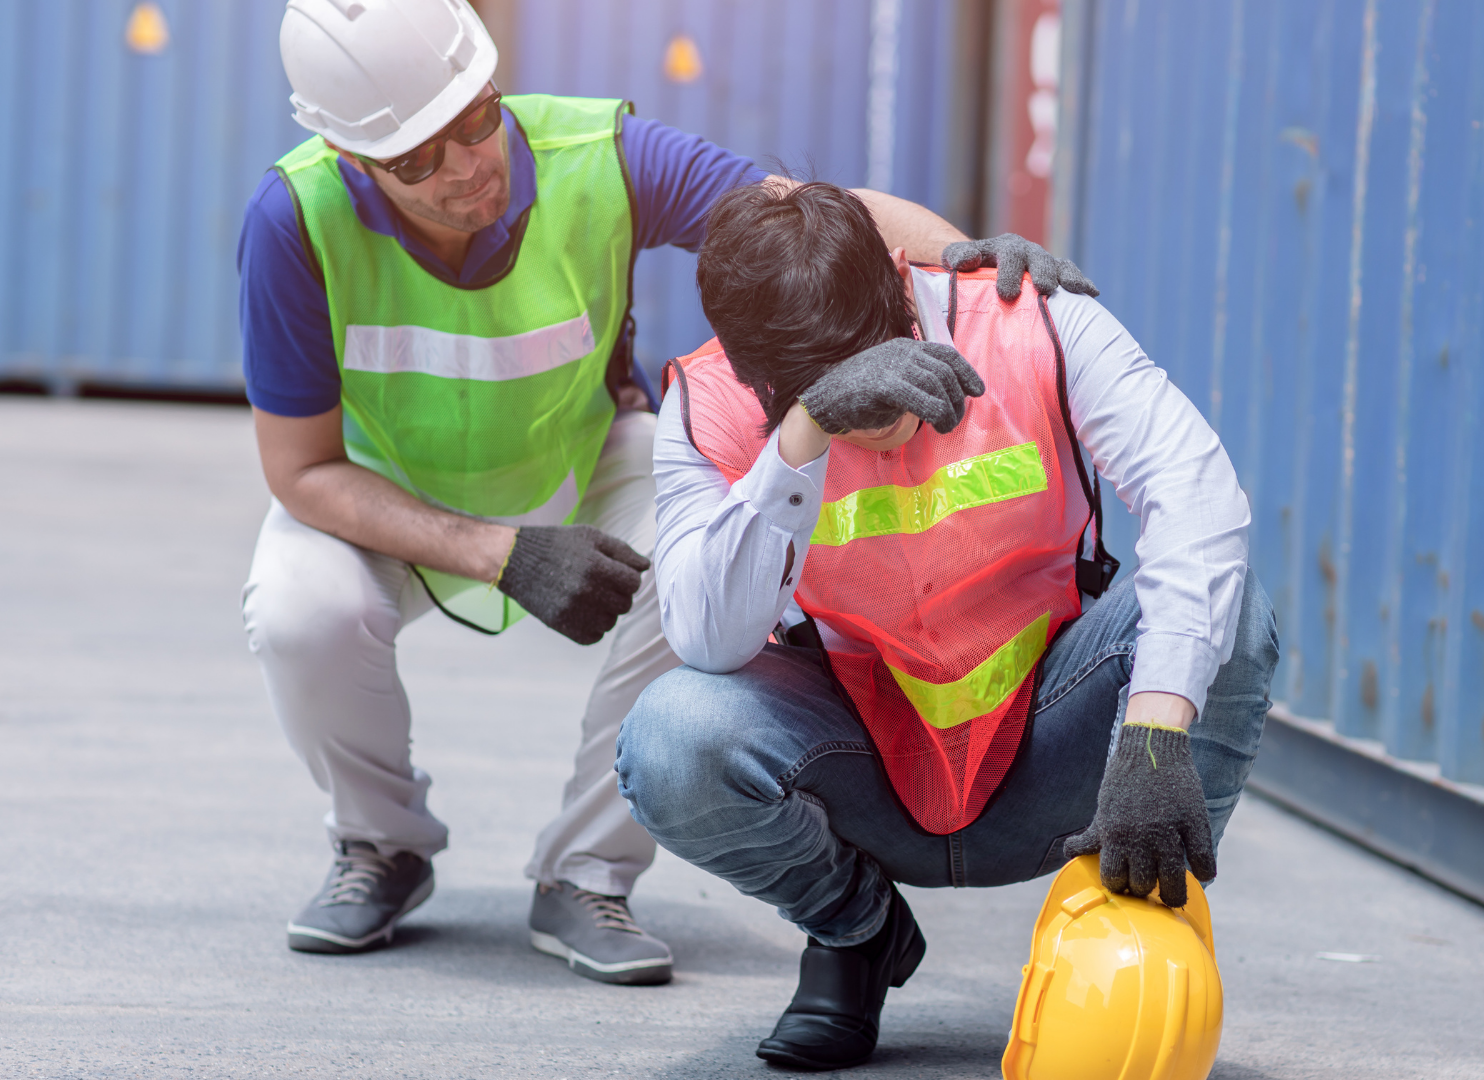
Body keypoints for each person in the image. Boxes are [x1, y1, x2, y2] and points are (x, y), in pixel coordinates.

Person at [236, 0, 1089, 983]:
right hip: (385, 493)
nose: (468, 165)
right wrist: (500, 553)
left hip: (582, 459)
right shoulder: (293, 222)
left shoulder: (598, 153)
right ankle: (379, 845)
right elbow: (300, 471)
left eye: (476, 121)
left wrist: (962, 258)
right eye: (418, 160)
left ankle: (586, 871)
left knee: (699, 558)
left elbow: (813, 212)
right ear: (352, 157)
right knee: (300, 612)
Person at [616, 180, 1280, 1068]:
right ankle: (856, 933)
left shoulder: (1029, 322)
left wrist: (1156, 732)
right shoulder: (714, 407)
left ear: (902, 287)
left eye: (871, 348)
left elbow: (1196, 492)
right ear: (756, 376)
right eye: (814, 384)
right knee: (672, 737)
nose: (874, 406)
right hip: (869, 772)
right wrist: (803, 435)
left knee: (1232, 616)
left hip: (1053, 750)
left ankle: (1128, 926)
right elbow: (708, 639)